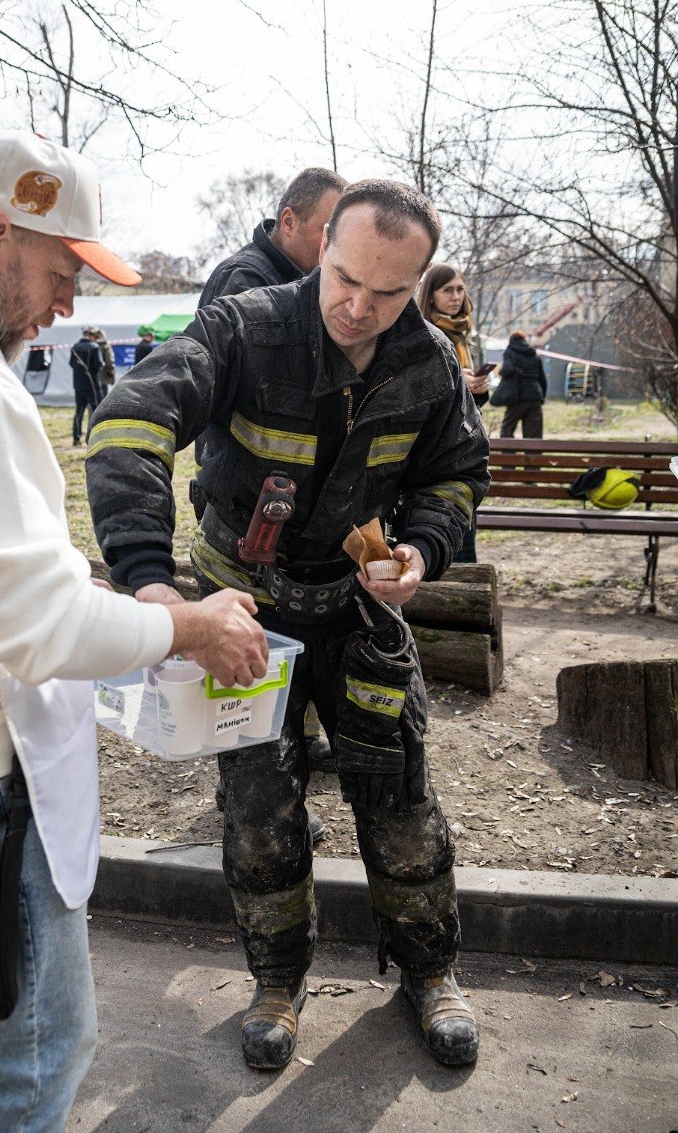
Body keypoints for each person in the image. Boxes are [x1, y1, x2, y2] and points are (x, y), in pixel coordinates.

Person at [0, 129, 269, 1133]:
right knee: (31, 1055)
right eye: (63, 271)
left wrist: (123, 600)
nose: (69, 304)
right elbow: (30, 622)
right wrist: (188, 623)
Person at [86, 178, 490, 1073]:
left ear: (416, 284)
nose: (358, 306)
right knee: (259, 814)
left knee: (401, 802)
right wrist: (152, 587)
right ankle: (276, 980)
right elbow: (127, 425)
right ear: (319, 247)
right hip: (243, 617)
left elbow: (457, 476)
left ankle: (431, 974)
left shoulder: (424, 362)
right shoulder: (245, 327)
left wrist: (422, 550)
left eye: (387, 294)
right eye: (344, 278)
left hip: (357, 613)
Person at [199, 166, 347, 795]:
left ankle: (288, 753)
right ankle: (250, 790)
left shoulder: (304, 279)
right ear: (289, 222)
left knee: (286, 654)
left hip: (287, 513)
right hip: (248, 505)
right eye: (326, 235)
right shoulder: (248, 285)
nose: (335, 253)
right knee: (253, 654)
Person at [417, 263, 490, 563]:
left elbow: (473, 407)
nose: (456, 296)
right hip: (433, 447)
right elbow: (420, 391)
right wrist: (459, 384)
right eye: (447, 289)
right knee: (443, 531)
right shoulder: (423, 332)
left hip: (465, 444)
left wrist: (479, 390)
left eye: (460, 288)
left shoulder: (464, 334)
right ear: (431, 295)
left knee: (464, 526)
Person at [197, 166, 347, 308]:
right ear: (289, 222)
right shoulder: (243, 278)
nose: (337, 245)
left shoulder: (303, 280)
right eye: (329, 231)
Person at [491, 329, 548, 437]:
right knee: (533, 436)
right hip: (535, 396)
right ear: (524, 340)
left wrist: (500, 371)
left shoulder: (510, 352)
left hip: (516, 396)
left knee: (507, 431)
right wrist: (541, 397)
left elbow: (507, 370)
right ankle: (533, 454)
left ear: (511, 340)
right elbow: (543, 379)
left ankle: (508, 453)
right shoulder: (534, 355)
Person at [70, 326, 103, 445]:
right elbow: (98, 365)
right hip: (92, 384)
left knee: (79, 411)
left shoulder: (75, 347)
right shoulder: (94, 347)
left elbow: (71, 364)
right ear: (91, 336)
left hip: (78, 384)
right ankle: (96, 437)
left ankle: (76, 437)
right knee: (96, 411)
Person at [84, 324, 116, 399]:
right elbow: (110, 361)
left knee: (95, 398)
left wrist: (110, 371)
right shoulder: (104, 345)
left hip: (94, 376)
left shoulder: (100, 345)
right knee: (101, 398)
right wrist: (111, 372)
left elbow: (109, 361)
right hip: (100, 375)